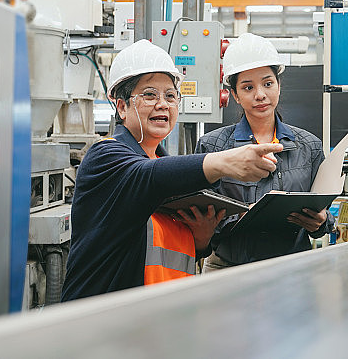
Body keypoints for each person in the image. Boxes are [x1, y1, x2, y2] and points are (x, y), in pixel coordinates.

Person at [61, 40, 283, 301]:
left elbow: (164, 252)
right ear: (121, 106)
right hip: (101, 322)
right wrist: (225, 162)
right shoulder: (105, 158)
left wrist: (201, 239)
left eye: (170, 96)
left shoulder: (171, 172)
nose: (163, 104)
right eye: (149, 95)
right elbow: (148, 176)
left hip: (157, 322)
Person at [195, 33, 336, 270]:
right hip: (229, 269)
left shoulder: (309, 146)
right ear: (235, 96)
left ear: (279, 86)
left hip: (293, 271)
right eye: (248, 87)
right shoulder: (213, 146)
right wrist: (240, 216)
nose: (260, 94)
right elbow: (202, 217)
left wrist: (321, 222)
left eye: (267, 83)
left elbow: (323, 214)